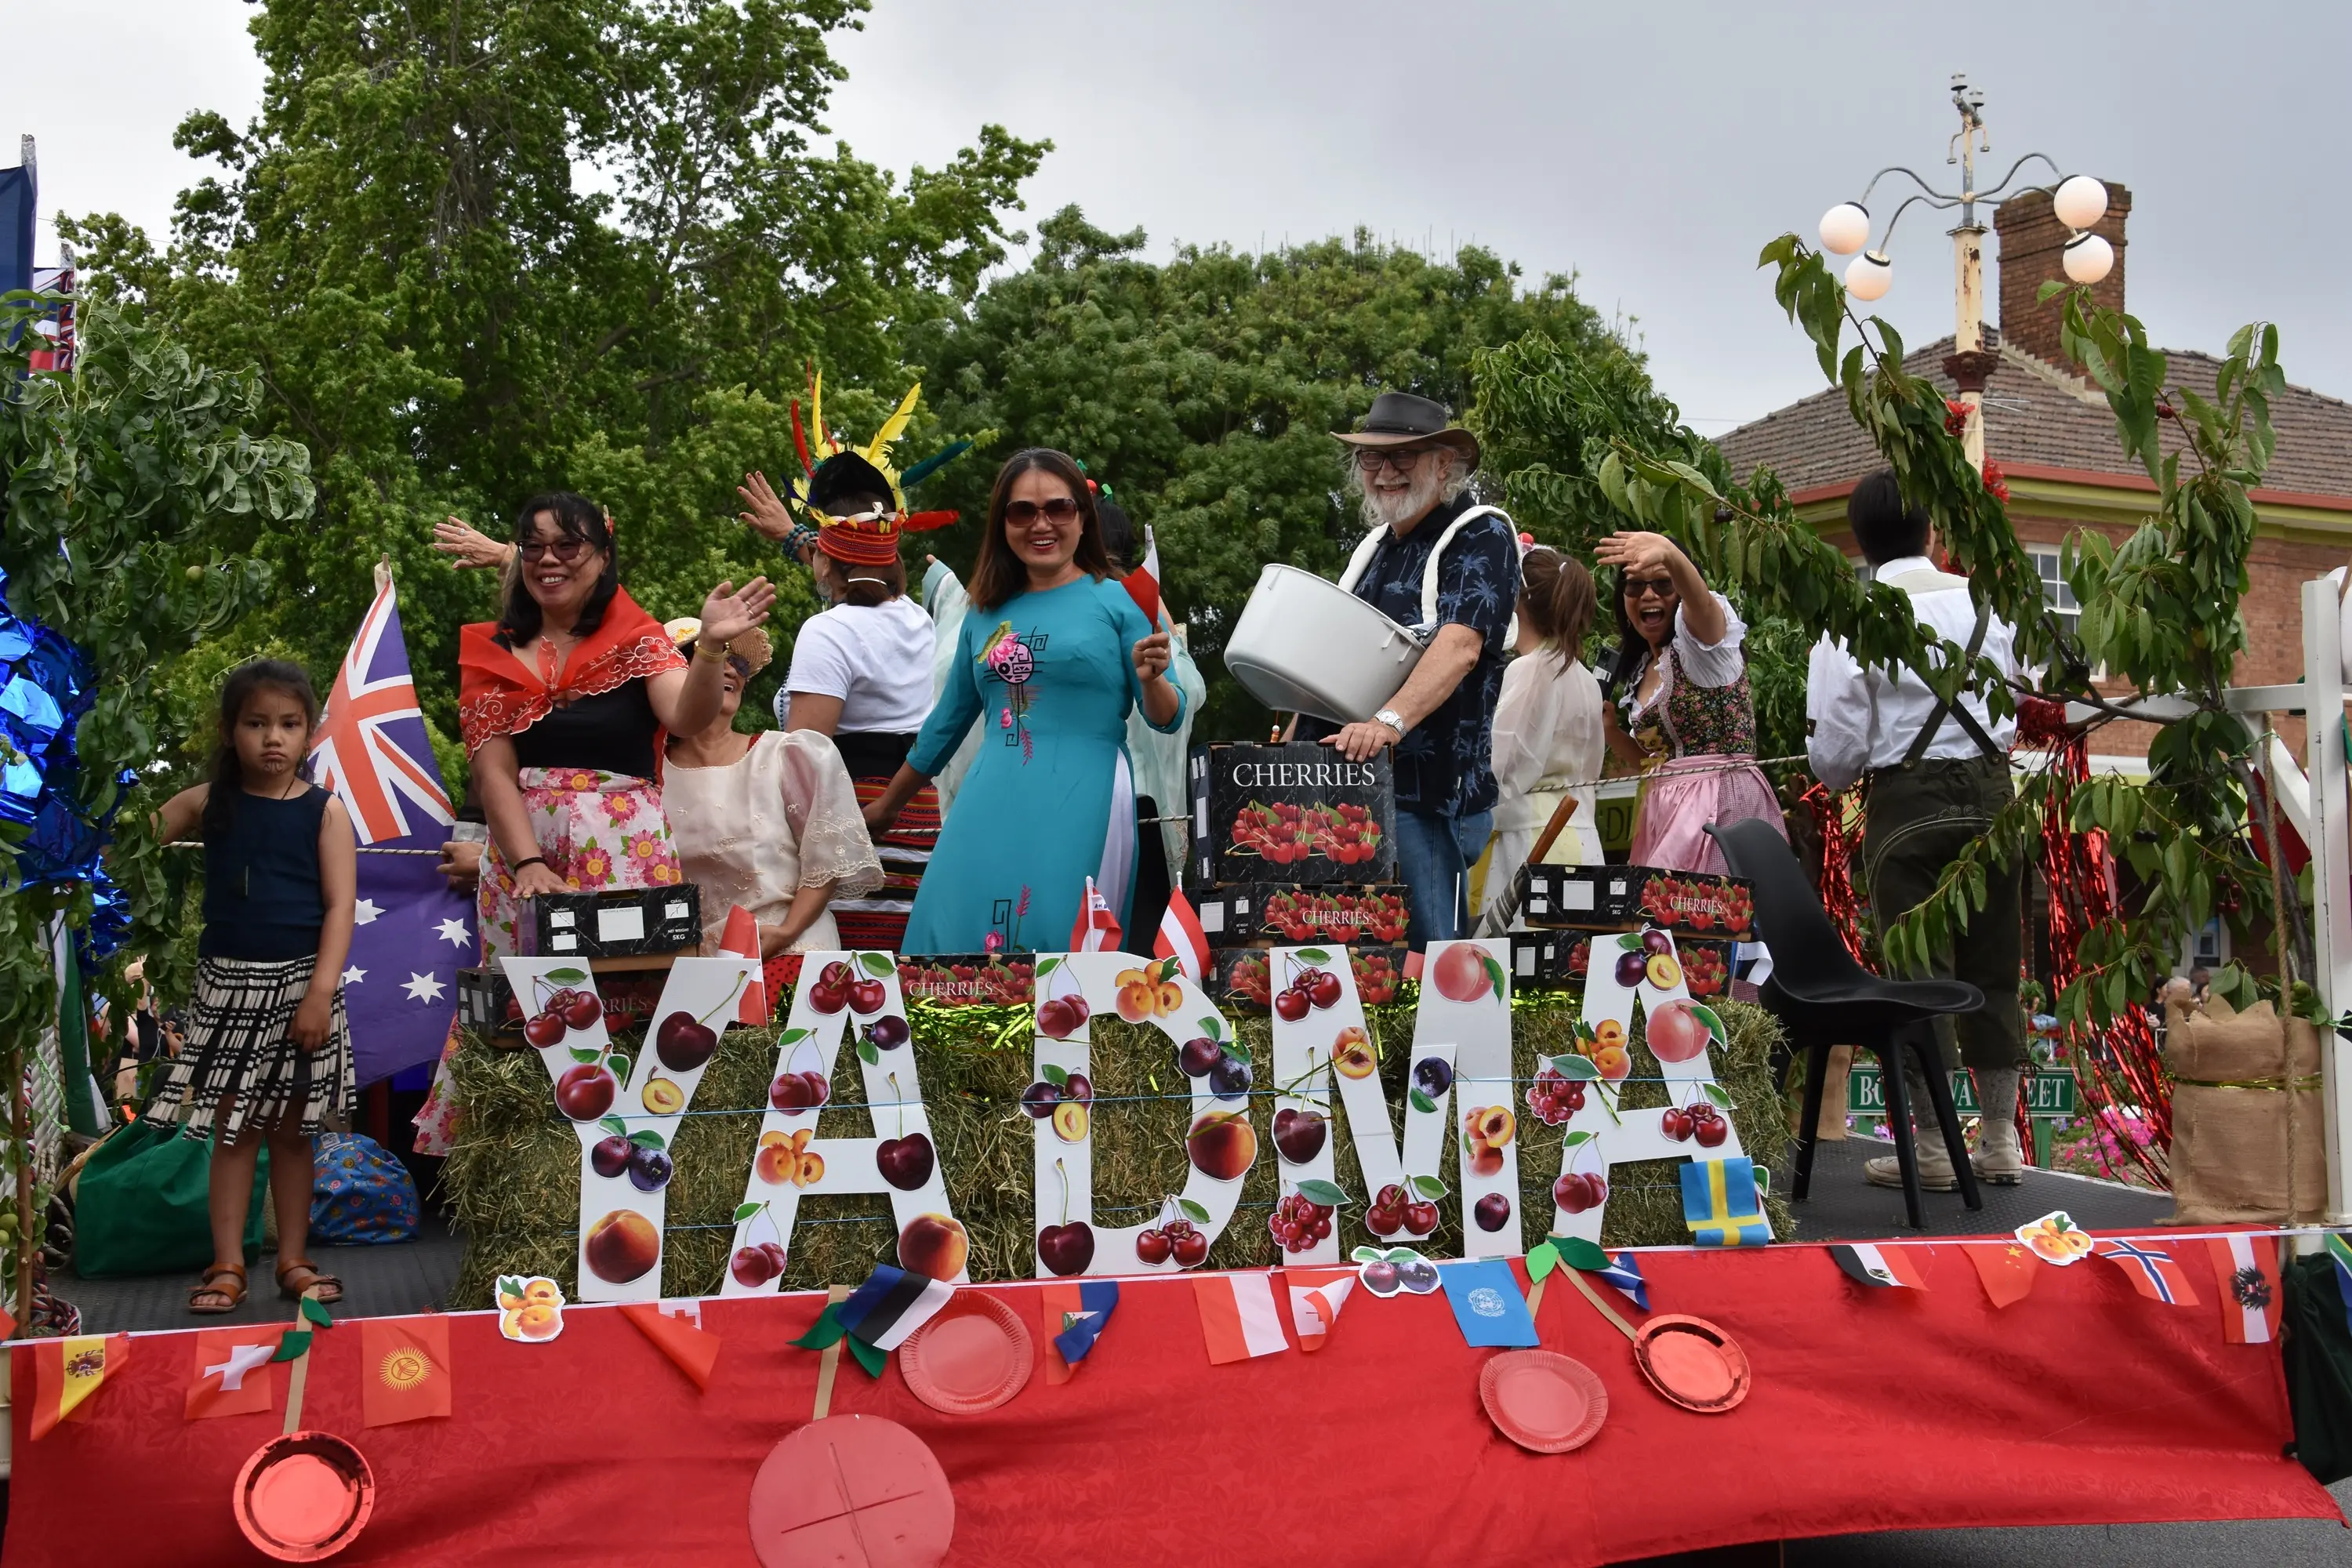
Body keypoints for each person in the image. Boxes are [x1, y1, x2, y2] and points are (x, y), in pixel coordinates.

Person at [412, 492, 772, 1154]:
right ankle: (529, 1161)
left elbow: (686, 717)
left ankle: (638, 1150)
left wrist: (711, 649)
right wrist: (527, 863)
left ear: (603, 556)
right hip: (526, 860)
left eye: (567, 545)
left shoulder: (637, 637)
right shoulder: (491, 649)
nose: (548, 558)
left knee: (632, 1000)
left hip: (626, 854)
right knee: (531, 1014)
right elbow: (494, 774)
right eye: (534, 546)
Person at [865, 449, 1184, 952]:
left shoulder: (1122, 601)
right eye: (1022, 511)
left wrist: (1152, 680)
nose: (1041, 524)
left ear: (1083, 517)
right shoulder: (984, 611)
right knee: (946, 935)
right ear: (1002, 523)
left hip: (1087, 792)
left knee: (1056, 943)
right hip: (989, 794)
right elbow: (946, 723)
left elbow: (1167, 717)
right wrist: (886, 807)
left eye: (1058, 508)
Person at [1806, 468, 2024, 1189]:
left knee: (1917, 978)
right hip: (1994, 798)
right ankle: (2001, 1143)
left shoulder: (1852, 619)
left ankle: (1933, 1150)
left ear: (1859, 541)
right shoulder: (1986, 605)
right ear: (1930, 532)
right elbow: (2019, 703)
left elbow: (1834, 759)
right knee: (1995, 970)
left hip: (1906, 806)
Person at [148, 660, 358, 1313]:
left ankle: (293, 1260)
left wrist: (319, 993)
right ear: (228, 730)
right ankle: (228, 1265)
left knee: (293, 1133)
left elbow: (340, 907)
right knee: (234, 1129)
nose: (273, 738)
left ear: (309, 732)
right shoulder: (207, 802)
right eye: (256, 723)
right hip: (227, 991)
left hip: (304, 992)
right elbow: (131, 843)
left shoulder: (326, 812)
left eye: (289, 724)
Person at [1305, 391, 1520, 952]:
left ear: (1444, 464)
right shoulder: (1375, 548)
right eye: (1372, 457)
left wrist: (1387, 723)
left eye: (1403, 455)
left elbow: (1461, 645)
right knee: (1362, 966)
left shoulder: (1480, 532)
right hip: (1355, 794)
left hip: (1430, 799)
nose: (1385, 470)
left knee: (1429, 964)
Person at [738, 448, 944, 951]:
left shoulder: (827, 631)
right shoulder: (915, 618)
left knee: (845, 974)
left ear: (826, 559)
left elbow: (806, 757)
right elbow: (857, 572)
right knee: (899, 971)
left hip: (856, 817)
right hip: (917, 812)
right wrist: (796, 539)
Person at [659, 617, 884, 978]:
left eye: (738, 662)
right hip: (688, 966)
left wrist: (787, 931)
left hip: (789, 947)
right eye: (706, 655)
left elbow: (826, 860)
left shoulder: (788, 754)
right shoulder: (645, 780)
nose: (729, 668)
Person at [1596, 528, 1787, 874]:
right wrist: (1612, 733)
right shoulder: (1646, 667)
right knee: (1664, 908)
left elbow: (1701, 605)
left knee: (1717, 906)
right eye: (1635, 586)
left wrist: (1670, 554)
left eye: (1664, 583)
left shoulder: (1702, 648)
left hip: (1723, 807)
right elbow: (1659, 765)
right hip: (1667, 814)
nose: (1648, 594)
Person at [1479, 546, 1606, 928]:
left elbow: (1500, 766)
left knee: (1522, 958)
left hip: (1532, 840)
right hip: (1582, 835)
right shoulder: (1586, 679)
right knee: (1575, 955)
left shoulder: (1528, 670)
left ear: (1517, 601)